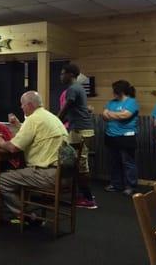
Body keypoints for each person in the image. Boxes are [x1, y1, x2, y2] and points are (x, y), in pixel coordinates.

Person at [0, 91, 68, 221]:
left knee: (1, 179)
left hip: (47, 174)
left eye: (22, 105)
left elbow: (13, 148)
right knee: (17, 173)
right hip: (65, 173)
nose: (21, 107)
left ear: (29, 105)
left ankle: (28, 216)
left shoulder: (33, 119)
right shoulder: (49, 116)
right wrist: (18, 126)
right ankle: (24, 210)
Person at [57, 63, 97, 209]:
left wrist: (54, 122)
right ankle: (84, 195)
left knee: (80, 165)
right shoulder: (77, 88)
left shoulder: (73, 89)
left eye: (63, 74)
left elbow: (65, 109)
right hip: (81, 129)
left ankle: (88, 199)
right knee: (79, 164)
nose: (61, 76)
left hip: (80, 130)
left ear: (71, 75)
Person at [102, 80, 139, 196]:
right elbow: (104, 116)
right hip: (111, 135)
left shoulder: (131, 102)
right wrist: (115, 114)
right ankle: (116, 184)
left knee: (128, 162)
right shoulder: (111, 102)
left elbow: (125, 115)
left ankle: (130, 186)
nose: (113, 92)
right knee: (114, 162)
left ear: (120, 91)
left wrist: (110, 113)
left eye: (114, 90)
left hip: (126, 136)